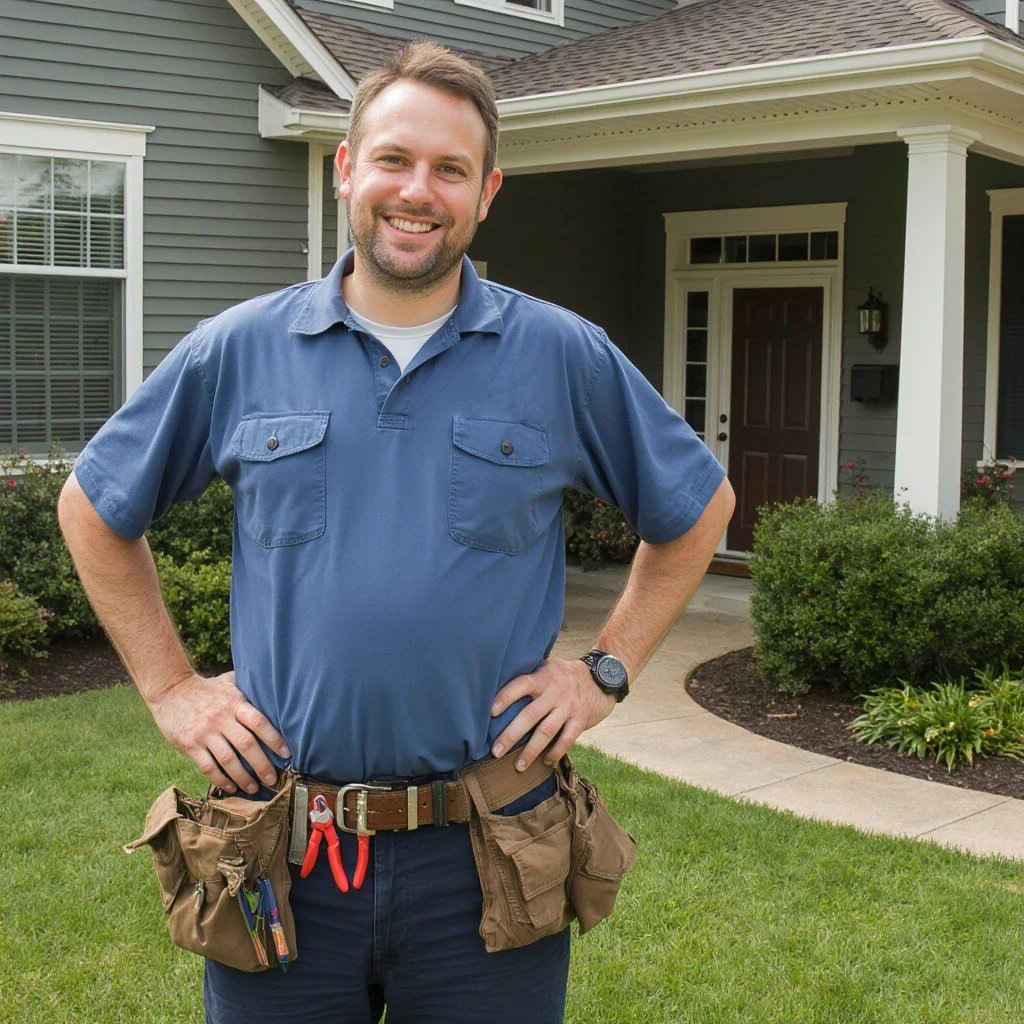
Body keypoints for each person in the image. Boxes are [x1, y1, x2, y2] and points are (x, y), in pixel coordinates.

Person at [58, 41, 735, 1024]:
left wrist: (603, 671)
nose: (417, 191)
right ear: (346, 169)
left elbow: (697, 509)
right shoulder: (240, 351)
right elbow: (93, 507)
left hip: (488, 852)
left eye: (449, 170)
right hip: (276, 851)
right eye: (393, 159)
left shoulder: (559, 355)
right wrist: (172, 688)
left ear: (485, 192)